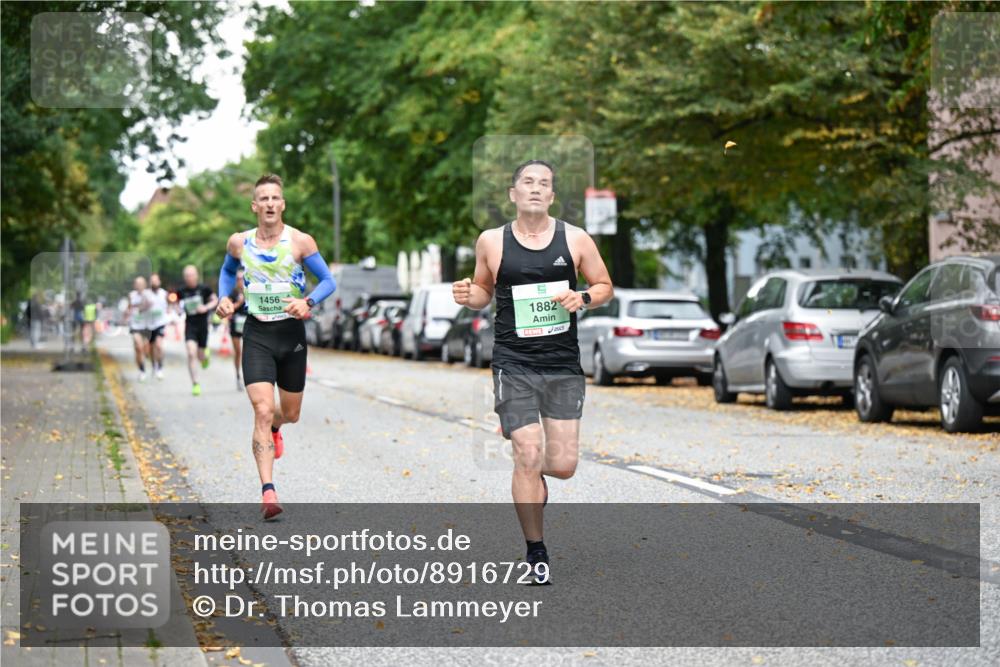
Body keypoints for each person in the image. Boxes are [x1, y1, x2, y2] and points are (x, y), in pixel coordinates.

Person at [452, 160, 613, 584]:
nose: (536, 188)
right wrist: (468, 295)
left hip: (561, 364)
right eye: (528, 182)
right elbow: (483, 291)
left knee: (562, 465)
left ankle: (531, 471)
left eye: (544, 183)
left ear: (552, 196)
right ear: (514, 193)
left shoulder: (575, 238)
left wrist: (584, 297)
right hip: (513, 362)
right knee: (527, 452)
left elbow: (604, 286)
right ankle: (536, 553)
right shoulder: (492, 240)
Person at [216, 173, 336, 520]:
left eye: (275, 198)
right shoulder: (239, 243)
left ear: (282, 204)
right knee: (262, 409)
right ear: (254, 206)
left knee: (290, 413)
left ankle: (276, 428)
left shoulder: (300, 242)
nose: (269, 204)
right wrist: (223, 297)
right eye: (263, 199)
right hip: (257, 334)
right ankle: (268, 491)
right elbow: (227, 272)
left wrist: (307, 302)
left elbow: (328, 281)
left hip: (290, 335)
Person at [178, 265, 219, 396]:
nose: (189, 278)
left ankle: (205, 357)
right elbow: (176, 304)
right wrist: (177, 309)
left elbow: (215, 300)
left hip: (202, 326)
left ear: (196, 276)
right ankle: (195, 384)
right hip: (190, 326)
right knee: (191, 353)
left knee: (201, 355)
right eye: (187, 276)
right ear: (184, 278)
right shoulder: (181, 291)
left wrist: (206, 307)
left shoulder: (204, 289)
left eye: (191, 275)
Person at [146, 273, 170, 380]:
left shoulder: (164, 294)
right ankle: (154, 365)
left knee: (159, 346)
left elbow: (170, 305)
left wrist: (169, 310)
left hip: (160, 323)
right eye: (152, 280)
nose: (154, 282)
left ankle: (160, 368)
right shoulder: (146, 294)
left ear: (159, 282)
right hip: (149, 324)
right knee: (151, 348)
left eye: (156, 280)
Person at [127, 277, 150, 381]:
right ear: (134, 285)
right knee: (139, 347)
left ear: (145, 285)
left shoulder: (148, 295)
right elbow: (129, 308)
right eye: (137, 284)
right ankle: (142, 370)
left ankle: (146, 359)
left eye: (141, 284)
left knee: (146, 349)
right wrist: (127, 313)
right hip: (135, 325)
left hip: (146, 325)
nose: (139, 286)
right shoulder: (131, 295)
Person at [228, 269, 248, 391]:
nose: (240, 281)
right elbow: (228, 309)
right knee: (238, 352)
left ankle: (249, 377)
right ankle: (237, 376)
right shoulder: (232, 293)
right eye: (238, 279)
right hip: (235, 324)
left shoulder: (250, 291)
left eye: (242, 278)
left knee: (248, 351)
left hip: (247, 323)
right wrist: (239, 303)